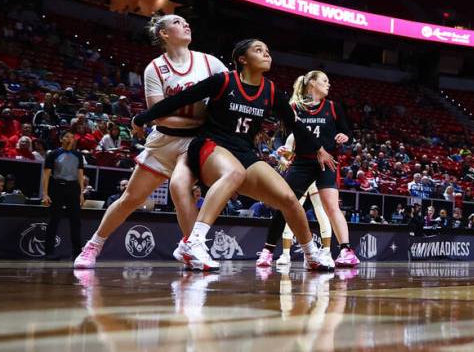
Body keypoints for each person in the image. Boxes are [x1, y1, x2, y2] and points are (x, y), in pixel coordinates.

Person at [130, 39, 336, 271]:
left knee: (288, 199)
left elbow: (294, 125)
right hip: (211, 144)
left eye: (268, 50)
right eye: (259, 50)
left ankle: (311, 254)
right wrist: (142, 118)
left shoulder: (270, 90)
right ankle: (194, 241)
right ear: (242, 58)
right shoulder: (224, 81)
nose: (266, 54)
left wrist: (318, 148)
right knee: (234, 172)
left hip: (244, 152)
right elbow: (180, 99)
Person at [74, 14, 228, 270]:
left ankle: (192, 247)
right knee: (130, 199)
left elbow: (230, 93)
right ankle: (93, 245)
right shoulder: (155, 68)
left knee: (182, 191)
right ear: (164, 34)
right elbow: (159, 115)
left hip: (194, 143)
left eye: (187, 21)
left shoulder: (209, 62)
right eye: (178, 22)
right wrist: (200, 122)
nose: (186, 24)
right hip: (164, 142)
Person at [259, 70, 358, 269]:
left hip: (327, 162)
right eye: (324, 80)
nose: (328, 84)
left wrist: (346, 137)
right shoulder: (295, 107)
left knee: (331, 207)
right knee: (284, 203)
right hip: (302, 162)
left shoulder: (332, 107)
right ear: (311, 83)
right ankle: (268, 251)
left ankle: (347, 251)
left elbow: (347, 131)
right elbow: (283, 133)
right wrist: (283, 149)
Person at [266, 125, 333, 269]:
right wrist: (285, 159)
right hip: (299, 175)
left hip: (315, 176)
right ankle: (285, 254)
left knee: (321, 213)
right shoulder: (293, 136)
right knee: (289, 213)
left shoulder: (323, 137)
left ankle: (326, 252)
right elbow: (284, 158)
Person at [42, 131, 86, 259]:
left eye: (72, 137)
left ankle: (77, 253)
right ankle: (49, 253)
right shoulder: (53, 154)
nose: (70, 139)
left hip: (73, 188)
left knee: (76, 222)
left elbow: (80, 175)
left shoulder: (78, 155)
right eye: (67, 136)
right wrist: (45, 194)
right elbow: (46, 175)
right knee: (54, 220)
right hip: (57, 187)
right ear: (61, 139)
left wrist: (81, 193)